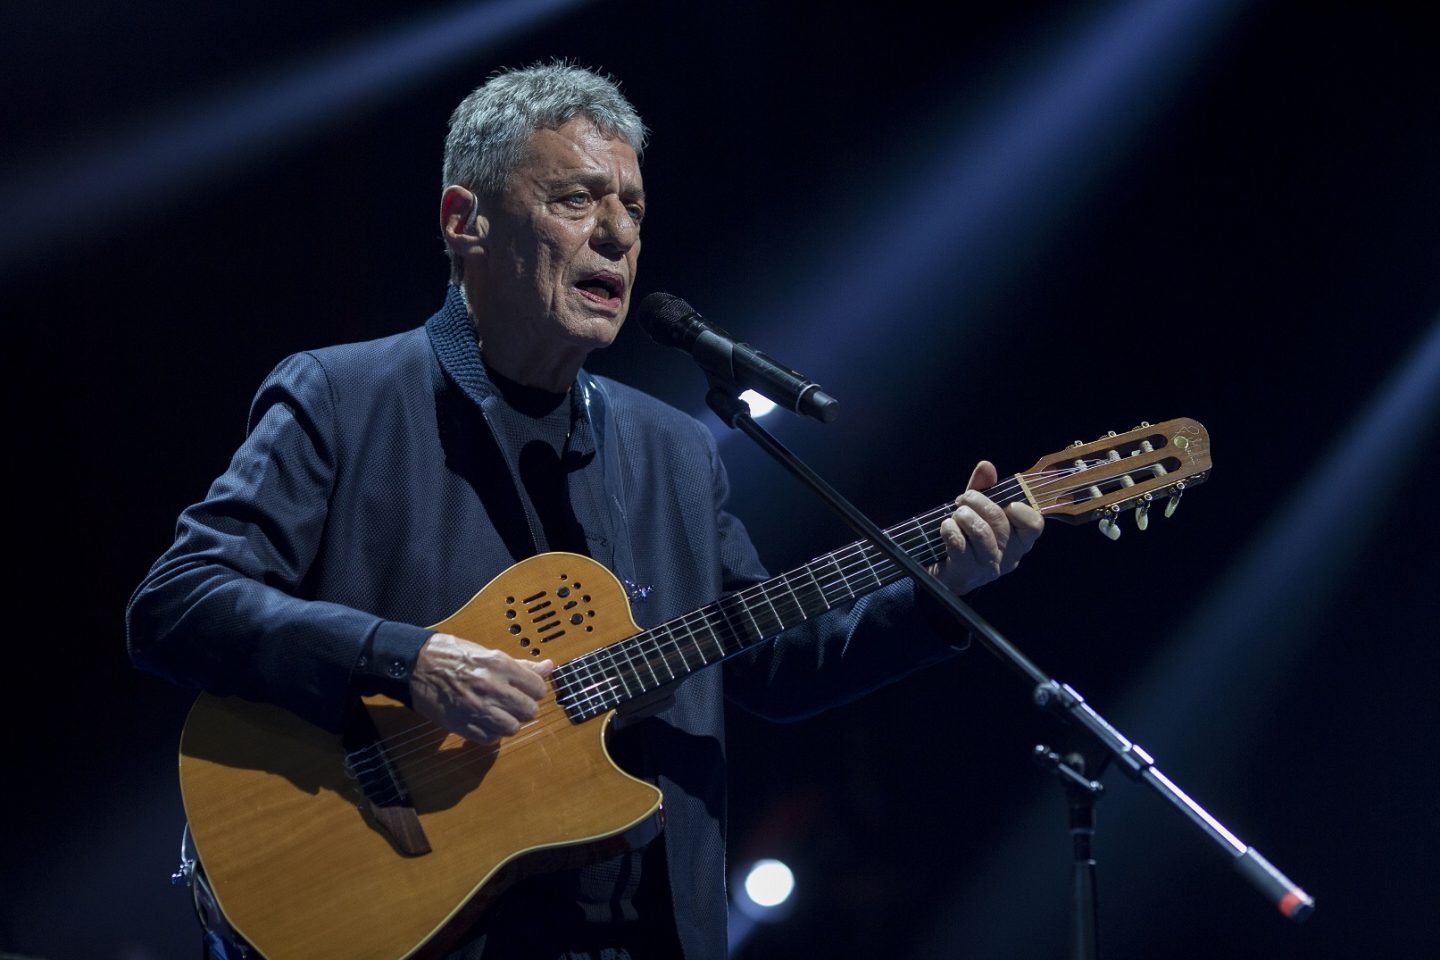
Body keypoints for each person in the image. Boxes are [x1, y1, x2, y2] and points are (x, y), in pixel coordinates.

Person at [127, 62, 1044, 960]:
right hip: (410, 917)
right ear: (465, 221)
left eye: (633, 208)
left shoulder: (673, 450)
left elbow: (773, 666)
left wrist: (940, 592)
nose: (617, 235)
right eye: (576, 199)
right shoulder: (344, 395)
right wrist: (406, 661)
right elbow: (177, 604)